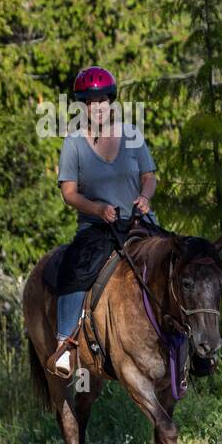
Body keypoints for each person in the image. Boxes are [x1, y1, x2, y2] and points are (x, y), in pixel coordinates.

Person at [48, 66, 157, 377]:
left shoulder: (131, 135)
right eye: (91, 103)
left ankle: (186, 339)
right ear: (83, 106)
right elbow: (68, 193)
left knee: (174, 258)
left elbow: (149, 177)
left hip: (138, 221)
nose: (98, 108)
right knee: (75, 268)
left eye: (103, 102)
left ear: (112, 103)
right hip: (98, 227)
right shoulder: (74, 143)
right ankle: (66, 345)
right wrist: (97, 209)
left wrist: (145, 197)